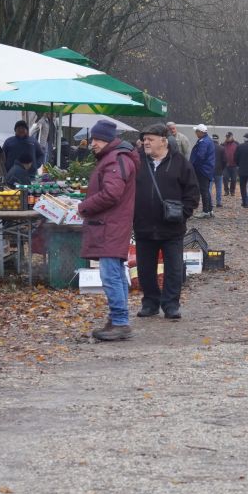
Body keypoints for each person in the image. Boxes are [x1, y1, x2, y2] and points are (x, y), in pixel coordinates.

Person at [79, 119, 141, 342]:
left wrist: (84, 206)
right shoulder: (116, 158)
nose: (92, 143)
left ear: (106, 140)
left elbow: (112, 193)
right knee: (115, 271)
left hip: (110, 225)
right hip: (113, 224)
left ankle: (120, 321)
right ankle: (117, 319)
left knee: (110, 274)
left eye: (96, 139)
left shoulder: (115, 160)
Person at [133, 123, 199, 320]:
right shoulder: (137, 161)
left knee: (174, 269)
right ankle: (150, 302)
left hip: (172, 228)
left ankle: (171, 304)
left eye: (150, 139)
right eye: (144, 139)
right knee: (145, 269)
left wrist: (183, 214)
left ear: (163, 141)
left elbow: (192, 193)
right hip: (144, 226)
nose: (146, 142)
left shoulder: (180, 163)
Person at [189, 123, 217, 218]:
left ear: (201, 132)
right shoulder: (207, 140)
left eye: (196, 131)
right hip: (207, 169)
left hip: (202, 169)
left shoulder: (203, 142)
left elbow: (200, 156)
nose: (195, 133)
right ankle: (210, 210)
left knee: (204, 190)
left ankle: (205, 211)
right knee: (206, 190)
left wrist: (193, 165)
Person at [220, 133, 239, 202]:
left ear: (232, 137)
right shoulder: (223, 144)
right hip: (226, 165)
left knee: (234, 179)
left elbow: (239, 153)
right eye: (227, 137)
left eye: (229, 137)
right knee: (225, 178)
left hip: (234, 165)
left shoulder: (236, 144)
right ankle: (226, 191)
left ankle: (232, 191)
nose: (227, 138)